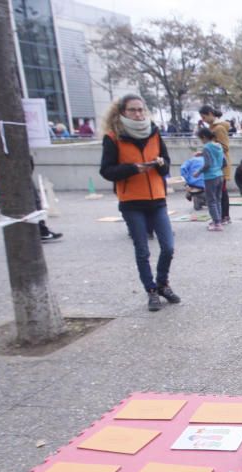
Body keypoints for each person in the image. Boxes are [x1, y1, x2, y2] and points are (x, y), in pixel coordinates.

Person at [99, 94, 181, 312]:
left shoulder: (154, 133)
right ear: (122, 112)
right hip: (132, 201)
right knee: (142, 250)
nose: (138, 114)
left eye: (140, 109)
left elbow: (166, 165)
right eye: (132, 110)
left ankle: (163, 283)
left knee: (168, 246)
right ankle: (151, 290)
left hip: (157, 198)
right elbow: (106, 171)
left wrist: (161, 165)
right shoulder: (113, 137)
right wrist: (133, 168)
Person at [199, 105, 232, 225]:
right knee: (220, 193)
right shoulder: (213, 128)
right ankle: (221, 217)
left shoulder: (218, 129)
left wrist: (210, 148)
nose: (203, 120)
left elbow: (225, 147)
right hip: (217, 165)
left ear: (210, 113)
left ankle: (224, 217)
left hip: (220, 165)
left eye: (204, 117)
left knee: (220, 193)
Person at [193, 127, 226, 231]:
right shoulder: (218, 145)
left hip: (210, 177)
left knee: (211, 201)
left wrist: (198, 172)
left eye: (200, 139)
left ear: (204, 137)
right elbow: (223, 161)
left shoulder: (206, 147)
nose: (201, 141)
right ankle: (218, 220)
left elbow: (207, 164)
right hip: (220, 175)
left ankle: (216, 223)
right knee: (218, 199)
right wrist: (201, 154)